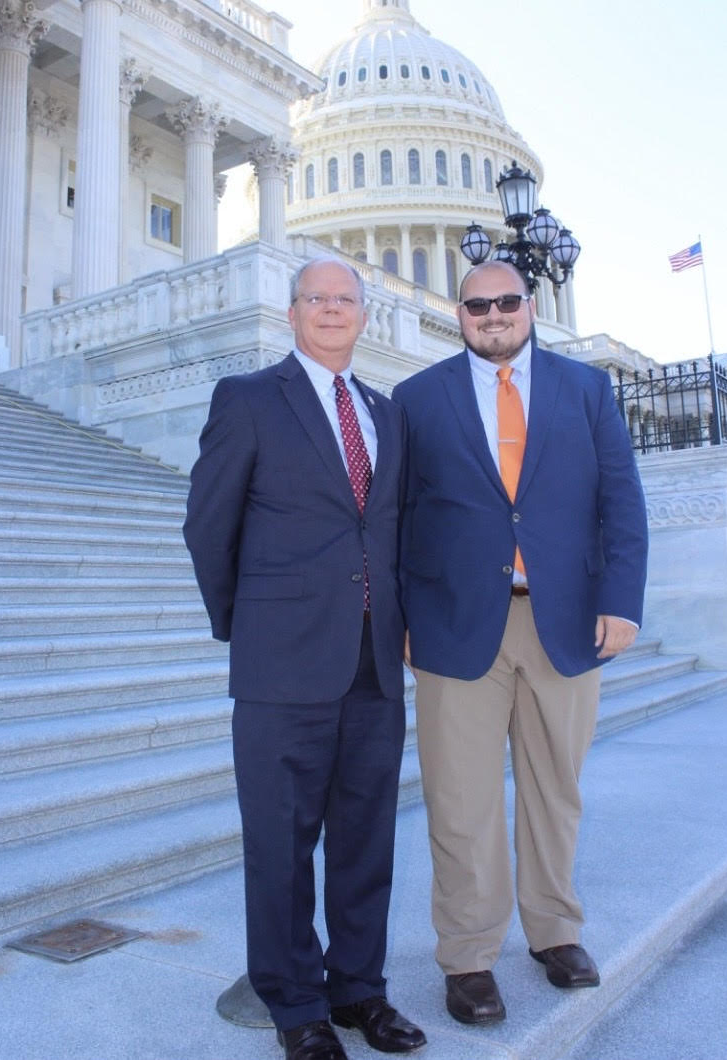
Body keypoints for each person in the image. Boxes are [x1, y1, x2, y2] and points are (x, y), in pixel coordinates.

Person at [391, 259, 648, 1026]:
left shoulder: (586, 390)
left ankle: (554, 931)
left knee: (555, 789)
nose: (493, 314)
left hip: (563, 620)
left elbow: (620, 501)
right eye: (477, 305)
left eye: (506, 302)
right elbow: (398, 518)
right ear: (458, 314)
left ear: (529, 307)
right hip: (454, 623)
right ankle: (468, 955)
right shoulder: (417, 398)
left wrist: (623, 602)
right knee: (460, 800)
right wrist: (403, 613)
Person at [184, 257, 426, 1060]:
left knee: (367, 837)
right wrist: (246, 626)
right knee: (281, 842)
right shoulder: (249, 400)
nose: (331, 310)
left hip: (371, 664)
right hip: (279, 665)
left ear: (362, 317)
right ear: (291, 314)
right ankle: (297, 1007)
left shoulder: (387, 416)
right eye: (316, 298)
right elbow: (208, 526)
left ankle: (360, 991)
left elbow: (390, 533)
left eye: (344, 300)